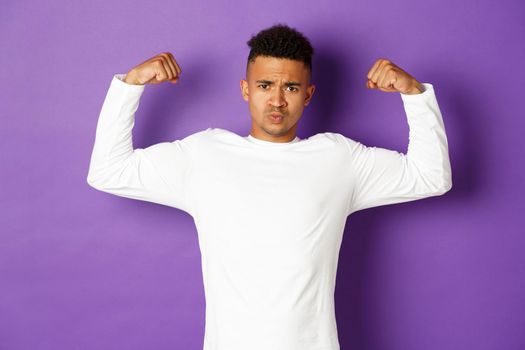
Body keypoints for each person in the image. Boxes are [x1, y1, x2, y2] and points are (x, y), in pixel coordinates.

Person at [87, 23, 452, 350]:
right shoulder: (204, 155)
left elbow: (430, 176)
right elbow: (108, 171)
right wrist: (131, 85)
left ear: (307, 95)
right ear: (246, 90)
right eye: (265, 85)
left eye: (290, 87)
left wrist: (414, 95)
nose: (277, 100)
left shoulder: (339, 159)